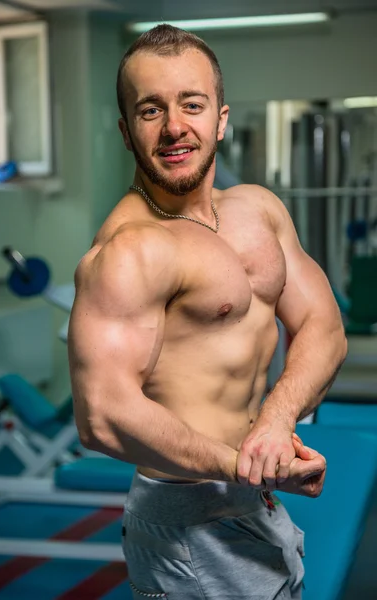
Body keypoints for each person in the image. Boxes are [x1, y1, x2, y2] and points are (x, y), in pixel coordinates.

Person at [68, 24, 347, 600]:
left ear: (220, 117)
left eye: (191, 105)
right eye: (151, 110)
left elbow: (324, 326)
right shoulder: (130, 251)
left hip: (256, 497)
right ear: (126, 131)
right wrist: (243, 464)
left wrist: (275, 422)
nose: (174, 127)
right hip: (186, 520)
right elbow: (101, 414)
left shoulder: (258, 211)